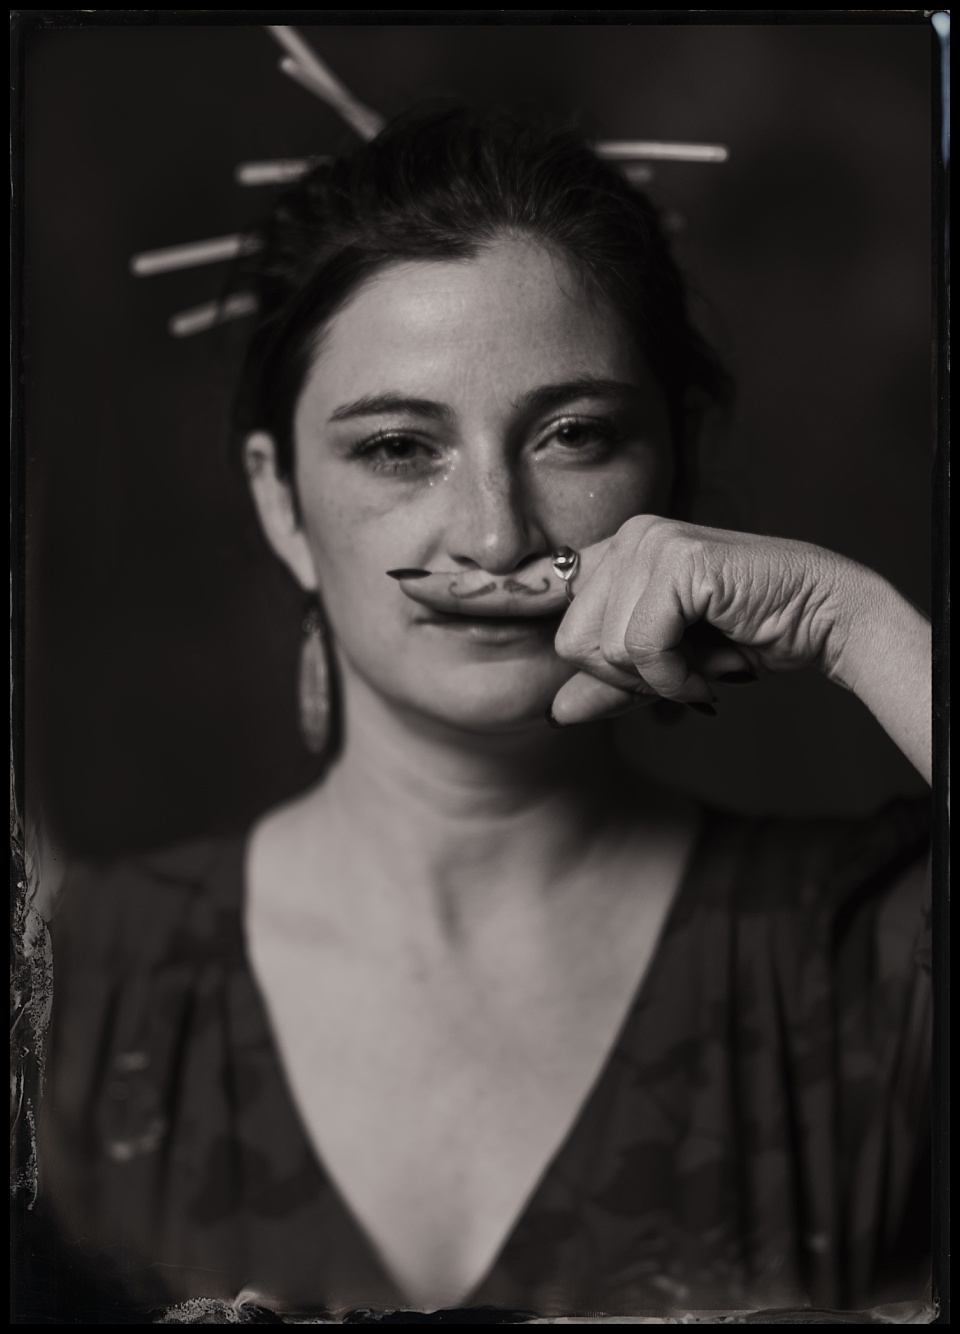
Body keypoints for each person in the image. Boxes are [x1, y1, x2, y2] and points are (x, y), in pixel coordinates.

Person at [34, 105, 932, 1320]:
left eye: (573, 434)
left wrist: (858, 622)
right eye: (401, 447)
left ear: (677, 455)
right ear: (281, 502)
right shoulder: (78, 986)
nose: (500, 532)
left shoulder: (860, 954)